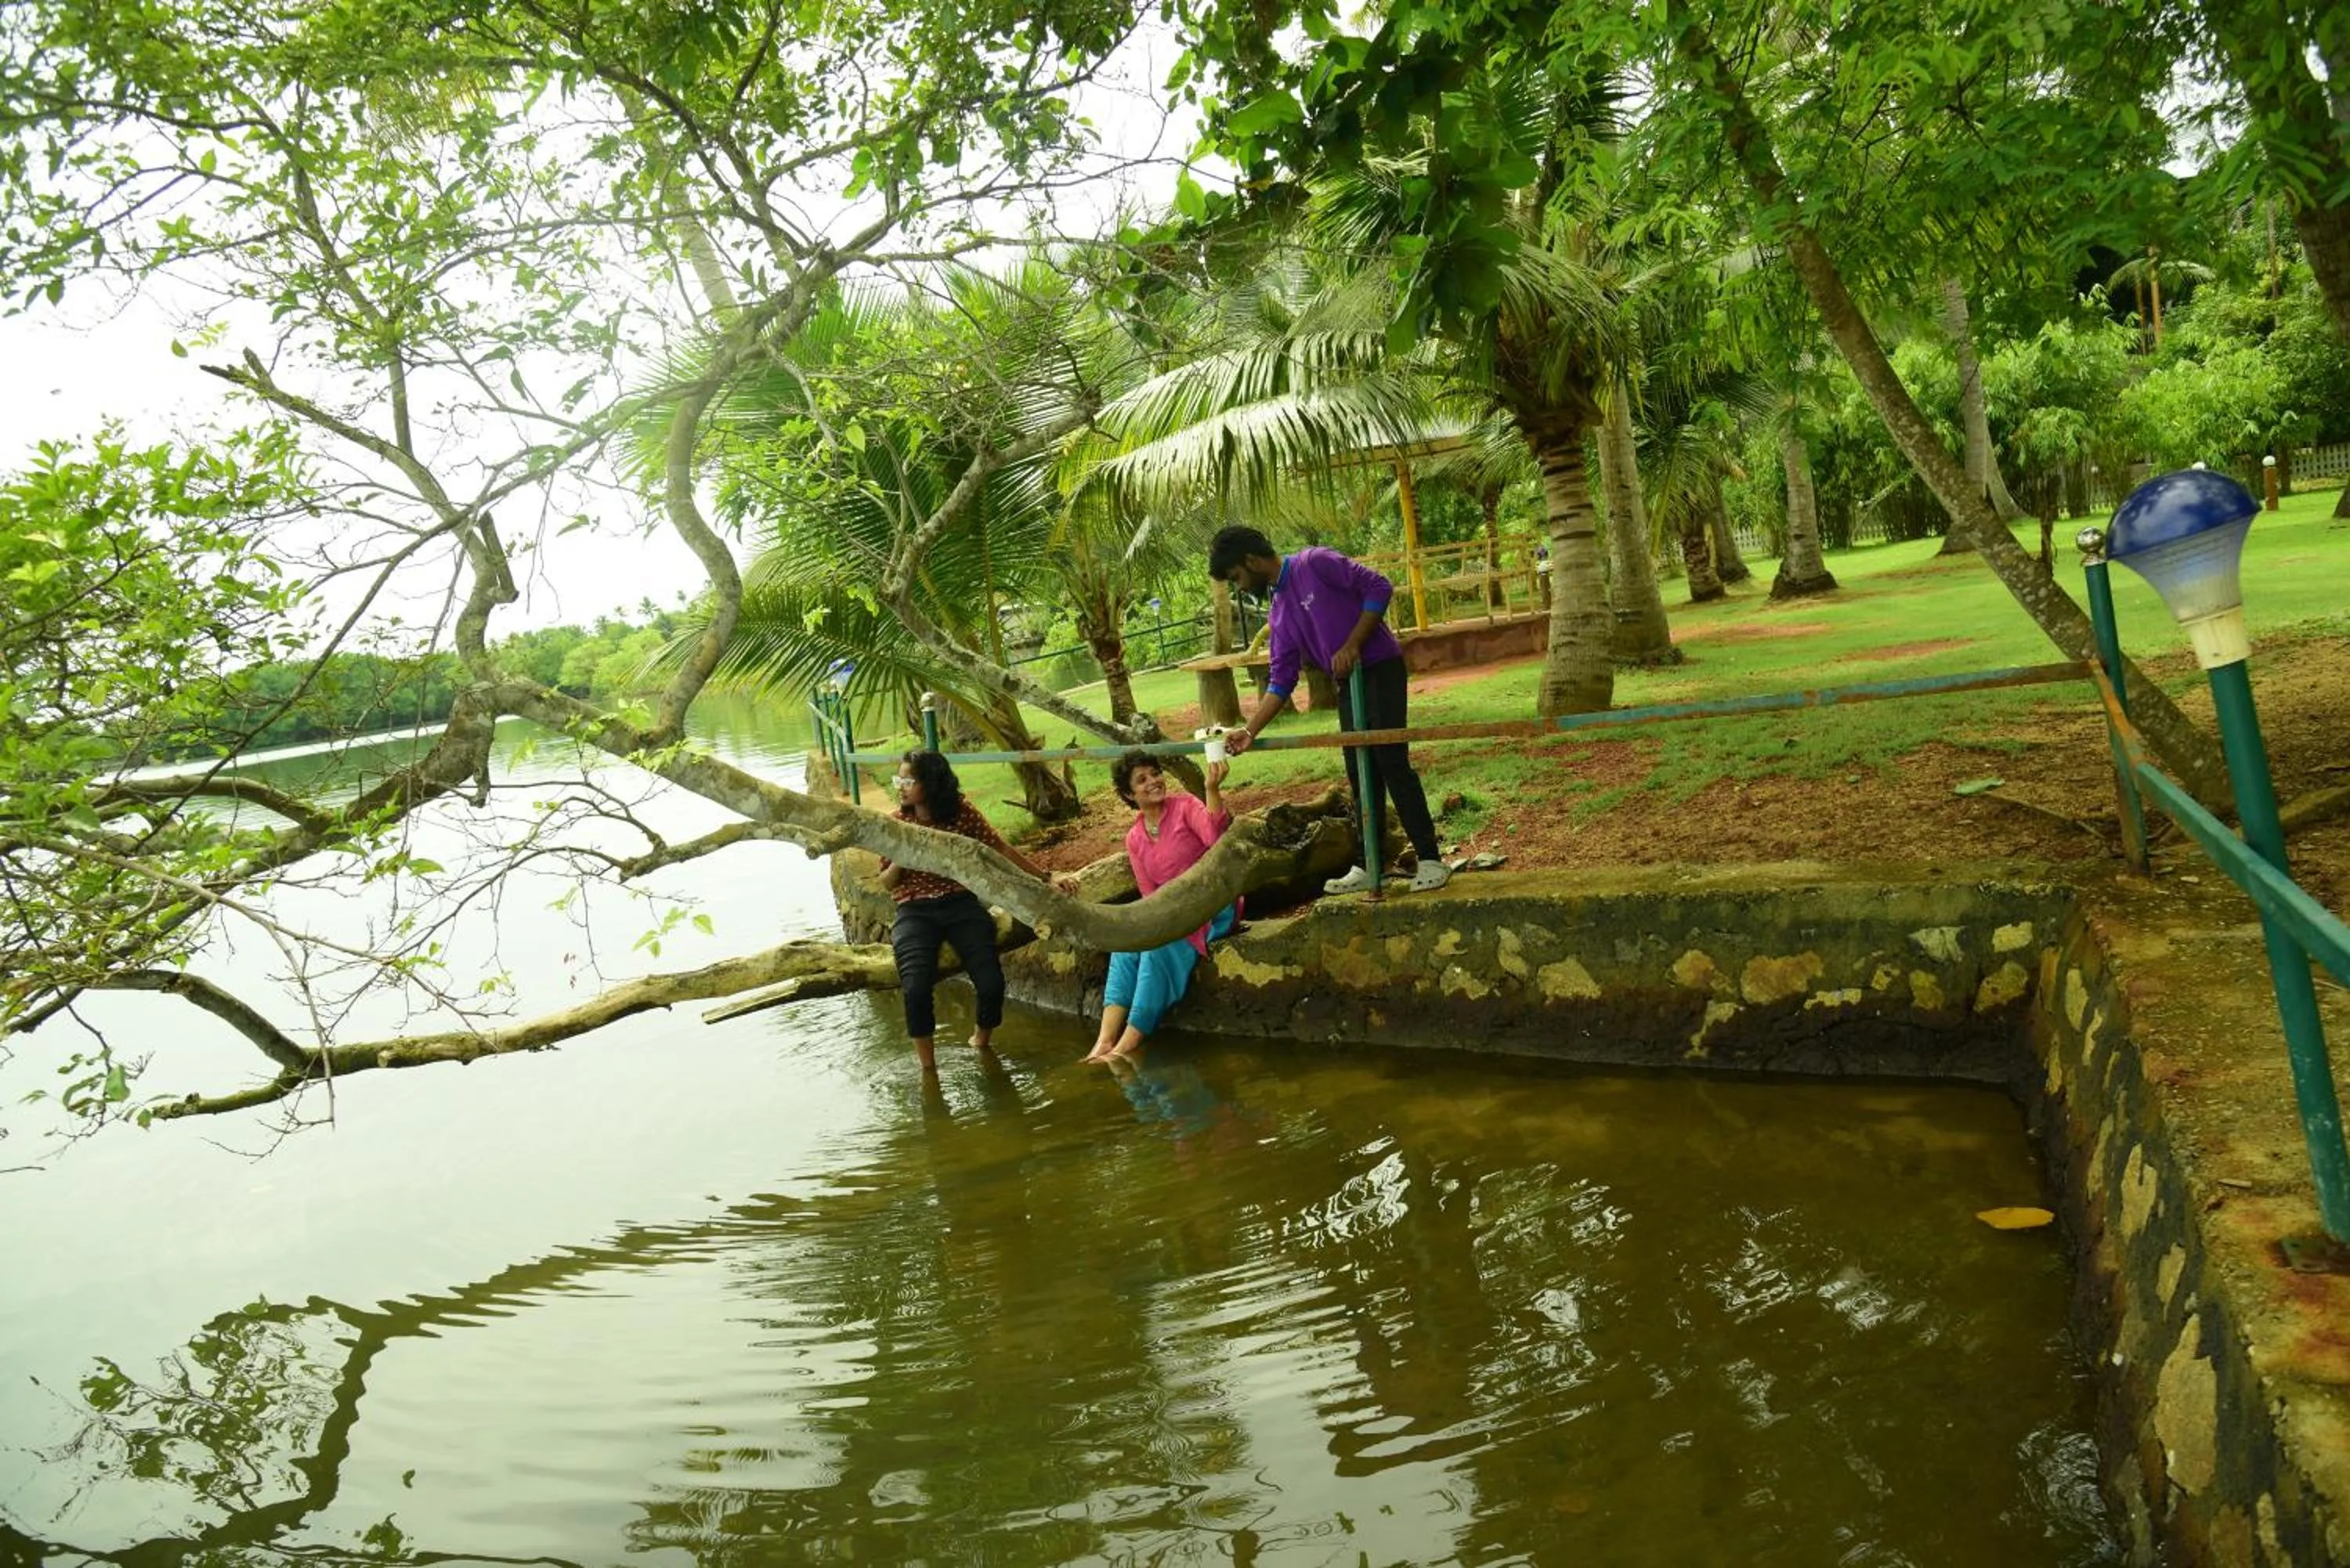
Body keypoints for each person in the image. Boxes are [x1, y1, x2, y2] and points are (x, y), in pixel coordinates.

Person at [1207, 525, 1449, 894]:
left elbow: (1379, 587)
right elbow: (1281, 680)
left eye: (1237, 576)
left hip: (1380, 670)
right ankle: (1371, 864)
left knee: (1390, 761)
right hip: (1348, 685)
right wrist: (1250, 730)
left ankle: (1431, 858)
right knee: (1359, 771)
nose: (1239, 586)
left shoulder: (1315, 563)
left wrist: (1353, 644)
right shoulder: (1279, 611)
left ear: (1252, 560)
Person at [877, 750, 1055, 1075]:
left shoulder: (962, 814)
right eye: (898, 780)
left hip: (961, 904)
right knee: (915, 987)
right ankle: (928, 1069)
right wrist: (904, 854)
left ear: (930, 783)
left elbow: (998, 849)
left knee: (991, 983)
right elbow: (886, 883)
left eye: (908, 780)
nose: (900, 786)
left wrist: (1043, 879)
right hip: (914, 910)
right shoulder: (896, 823)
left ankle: (981, 1042)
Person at [1079, 750, 1240, 1062]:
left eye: (1155, 773)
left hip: (1210, 906)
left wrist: (1212, 790)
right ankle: (1104, 1041)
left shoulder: (1185, 807)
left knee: (1158, 948)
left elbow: (1217, 840)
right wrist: (1144, 927)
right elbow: (1147, 894)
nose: (1154, 781)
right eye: (1142, 780)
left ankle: (1126, 1046)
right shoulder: (1135, 837)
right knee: (1127, 945)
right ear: (1129, 794)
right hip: (1168, 912)